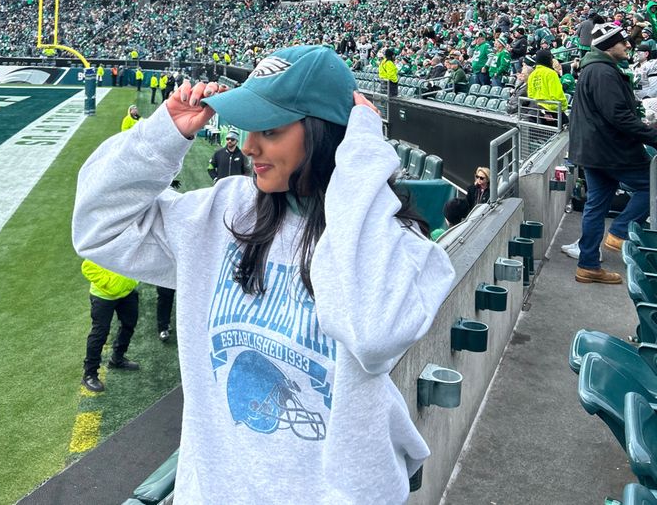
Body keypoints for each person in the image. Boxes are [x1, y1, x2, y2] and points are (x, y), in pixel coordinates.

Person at [73, 45, 454, 502]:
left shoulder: (398, 246)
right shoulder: (225, 212)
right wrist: (161, 137)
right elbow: (98, 229)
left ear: (328, 137)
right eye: (249, 128)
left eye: (270, 131)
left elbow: (373, 333)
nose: (250, 146)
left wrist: (362, 160)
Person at [568, 23, 657, 284]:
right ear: (609, 47)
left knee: (596, 206)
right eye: (622, 42)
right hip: (610, 150)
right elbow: (617, 115)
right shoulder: (603, 72)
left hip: (593, 151)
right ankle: (619, 232)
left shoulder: (593, 69)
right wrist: (652, 136)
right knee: (652, 185)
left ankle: (588, 266)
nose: (628, 45)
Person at [80, 260, 140, 393]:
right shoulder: (100, 242)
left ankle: (117, 358)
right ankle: (89, 374)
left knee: (129, 324)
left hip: (127, 292)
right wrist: (110, 284)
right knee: (100, 334)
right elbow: (87, 267)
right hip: (103, 297)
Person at [526, 50, 568, 123]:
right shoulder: (551, 74)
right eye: (551, 59)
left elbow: (530, 95)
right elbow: (557, 96)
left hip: (536, 111)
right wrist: (564, 107)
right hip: (552, 113)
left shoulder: (532, 75)